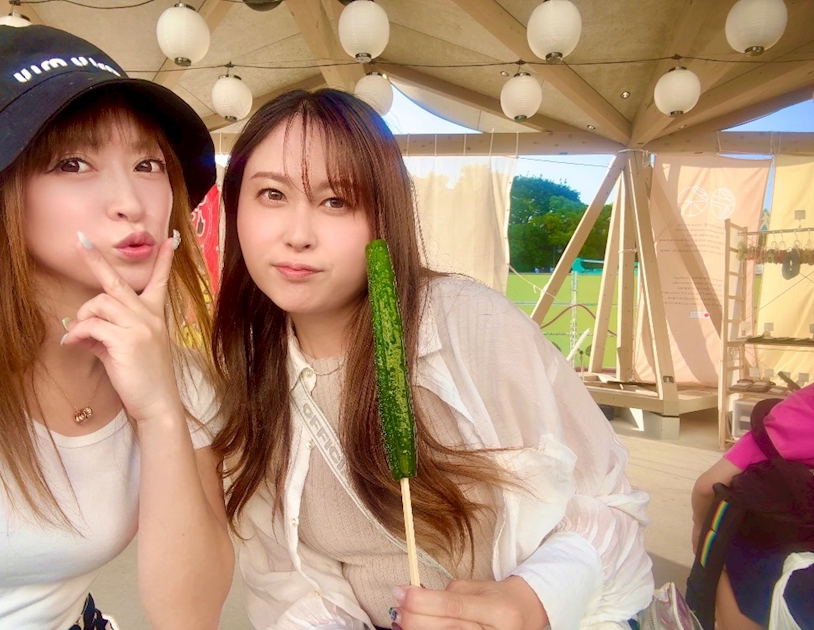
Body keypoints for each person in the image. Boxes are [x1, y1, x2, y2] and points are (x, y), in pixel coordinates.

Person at [211, 88, 654, 630]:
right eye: (272, 194)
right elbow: (290, 577)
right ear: (236, 207)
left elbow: (613, 513)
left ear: (384, 217)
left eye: (336, 201)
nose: (298, 235)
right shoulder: (248, 366)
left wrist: (530, 601)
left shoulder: (468, 324)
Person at [0, 25, 233, 629]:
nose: (131, 201)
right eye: (73, 163)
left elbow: (189, 616)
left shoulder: (177, 378)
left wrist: (160, 411)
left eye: (147, 163)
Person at [691, 386, 814, 629]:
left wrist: (699, 529)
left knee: (718, 547)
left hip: (790, 580)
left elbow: (707, 487)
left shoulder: (800, 413)